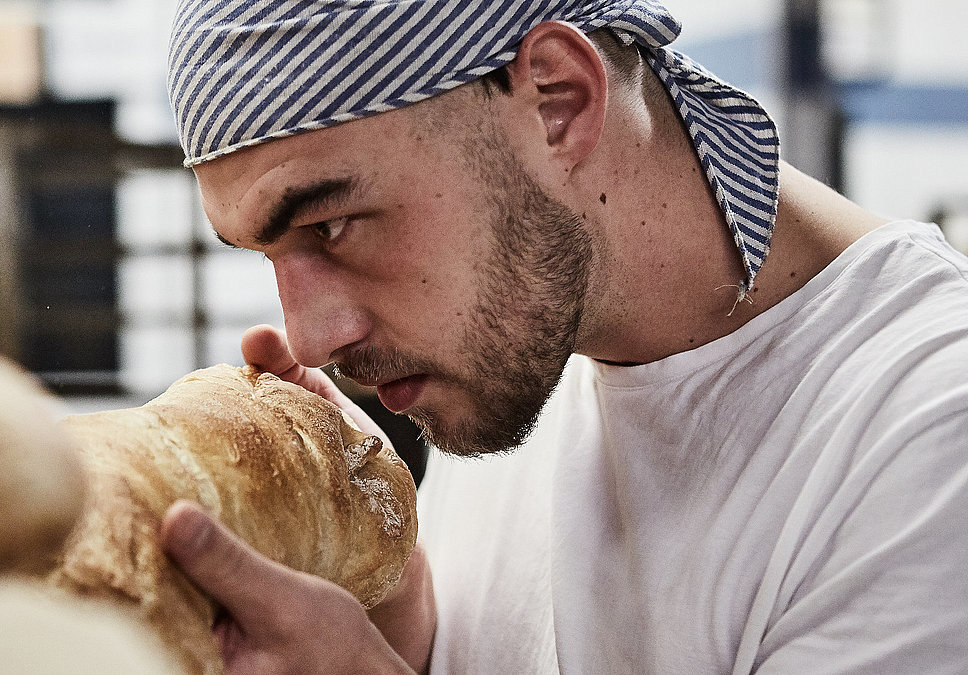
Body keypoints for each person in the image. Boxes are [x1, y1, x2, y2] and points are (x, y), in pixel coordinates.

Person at [156, 1, 968, 673]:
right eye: (269, 256)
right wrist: (400, 613)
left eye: (332, 225)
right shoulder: (522, 347)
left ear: (559, 99)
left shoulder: (925, 431)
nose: (311, 335)